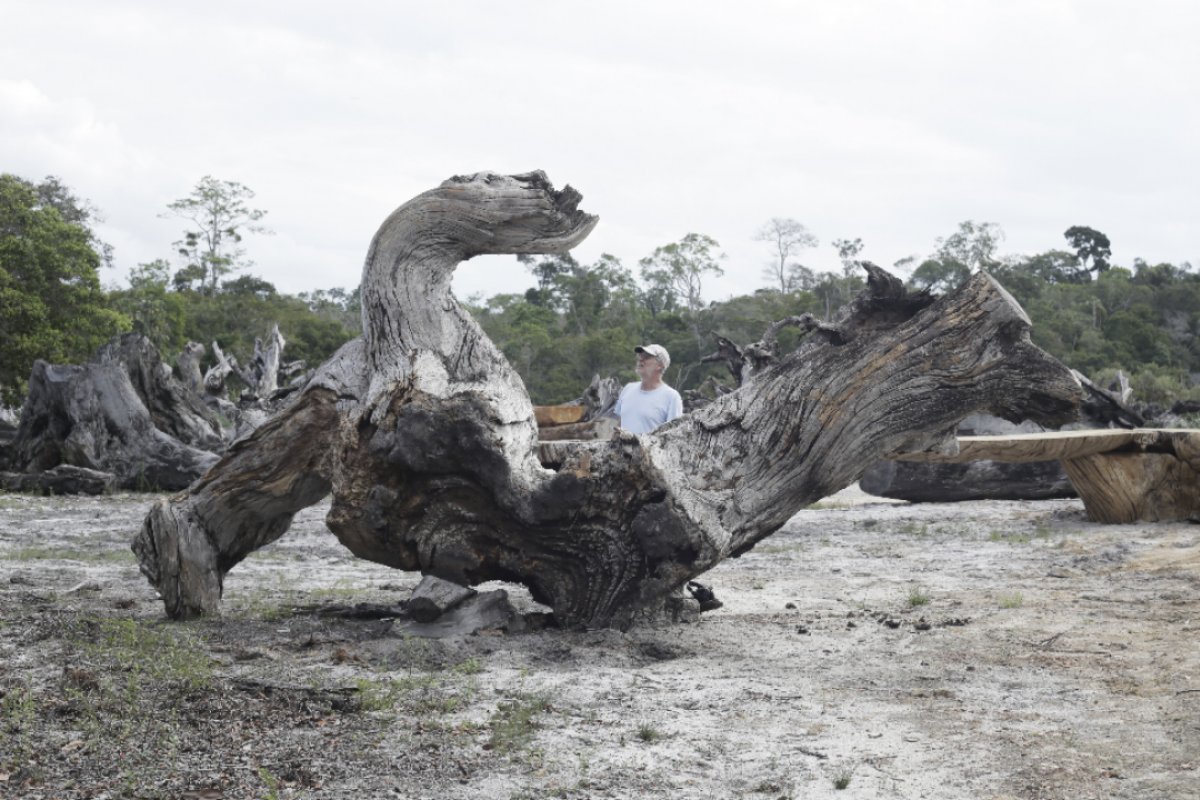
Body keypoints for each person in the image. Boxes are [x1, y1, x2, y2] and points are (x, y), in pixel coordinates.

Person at [612, 344, 684, 434]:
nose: (640, 359)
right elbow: (619, 425)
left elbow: (674, 435)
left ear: (660, 366)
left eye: (647, 357)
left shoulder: (672, 397)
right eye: (640, 356)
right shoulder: (628, 389)